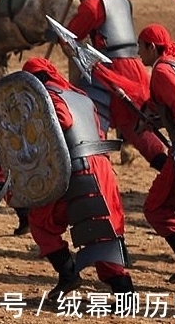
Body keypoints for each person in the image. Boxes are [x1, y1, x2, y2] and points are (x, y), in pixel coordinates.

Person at [21, 58, 135, 301]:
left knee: (50, 223)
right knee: (104, 230)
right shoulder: (80, 95)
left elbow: (63, 120)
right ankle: (113, 288)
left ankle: (74, 274)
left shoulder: (49, 97)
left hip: (79, 170)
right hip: (101, 167)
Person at [106, 24, 175, 284]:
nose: (138, 54)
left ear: (152, 47)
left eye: (141, 47)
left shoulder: (162, 70)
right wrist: (151, 121)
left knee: (156, 208)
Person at [64, 0, 167, 169]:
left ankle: (96, 170)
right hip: (134, 66)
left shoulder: (92, 5)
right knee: (135, 126)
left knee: (92, 117)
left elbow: (70, 38)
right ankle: (166, 168)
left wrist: (61, 38)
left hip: (110, 70)